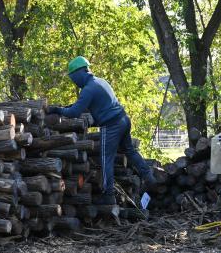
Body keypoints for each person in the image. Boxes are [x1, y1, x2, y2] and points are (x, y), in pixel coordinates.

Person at [47, 56, 156, 206]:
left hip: (112, 126)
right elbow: (87, 105)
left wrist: (58, 110)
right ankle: (149, 177)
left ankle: (108, 195)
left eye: (73, 78)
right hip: (124, 119)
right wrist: (69, 107)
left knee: (106, 159)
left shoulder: (88, 89)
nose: (74, 81)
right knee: (129, 150)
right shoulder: (100, 82)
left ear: (79, 73)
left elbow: (75, 112)